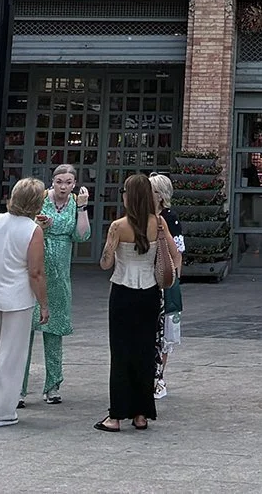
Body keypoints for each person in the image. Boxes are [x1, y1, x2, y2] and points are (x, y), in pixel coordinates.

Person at [95, 173, 169, 432]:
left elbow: (106, 263)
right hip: (149, 293)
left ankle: (115, 416)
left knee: (121, 352)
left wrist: (112, 246)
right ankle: (141, 414)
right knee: (145, 352)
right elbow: (171, 253)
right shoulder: (158, 223)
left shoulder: (118, 226)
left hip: (123, 292)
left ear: (129, 196)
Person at [0, 177, 49, 428]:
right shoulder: (33, 231)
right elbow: (35, 272)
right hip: (18, 298)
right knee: (12, 355)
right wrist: (44, 303)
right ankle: (3, 411)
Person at [21, 164, 90, 405]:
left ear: (74, 184)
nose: (63, 186)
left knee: (54, 331)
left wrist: (82, 207)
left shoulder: (74, 202)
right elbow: (24, 226)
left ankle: (52, 386)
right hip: (37, 265)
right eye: (59, 181)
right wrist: (40, 225)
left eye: (68, 182)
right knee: (24, 332)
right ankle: (18, 388)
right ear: (52, 182)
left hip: (60, 272)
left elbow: (82, 235)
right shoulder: (41, 199)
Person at [149, 172, 184, 400]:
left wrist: (172, 279)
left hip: (164, 282)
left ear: (160, 195)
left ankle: (159, 378)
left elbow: (177, 253)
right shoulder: (140, 216)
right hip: (143, 278)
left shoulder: (169, 219)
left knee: (164, 333)